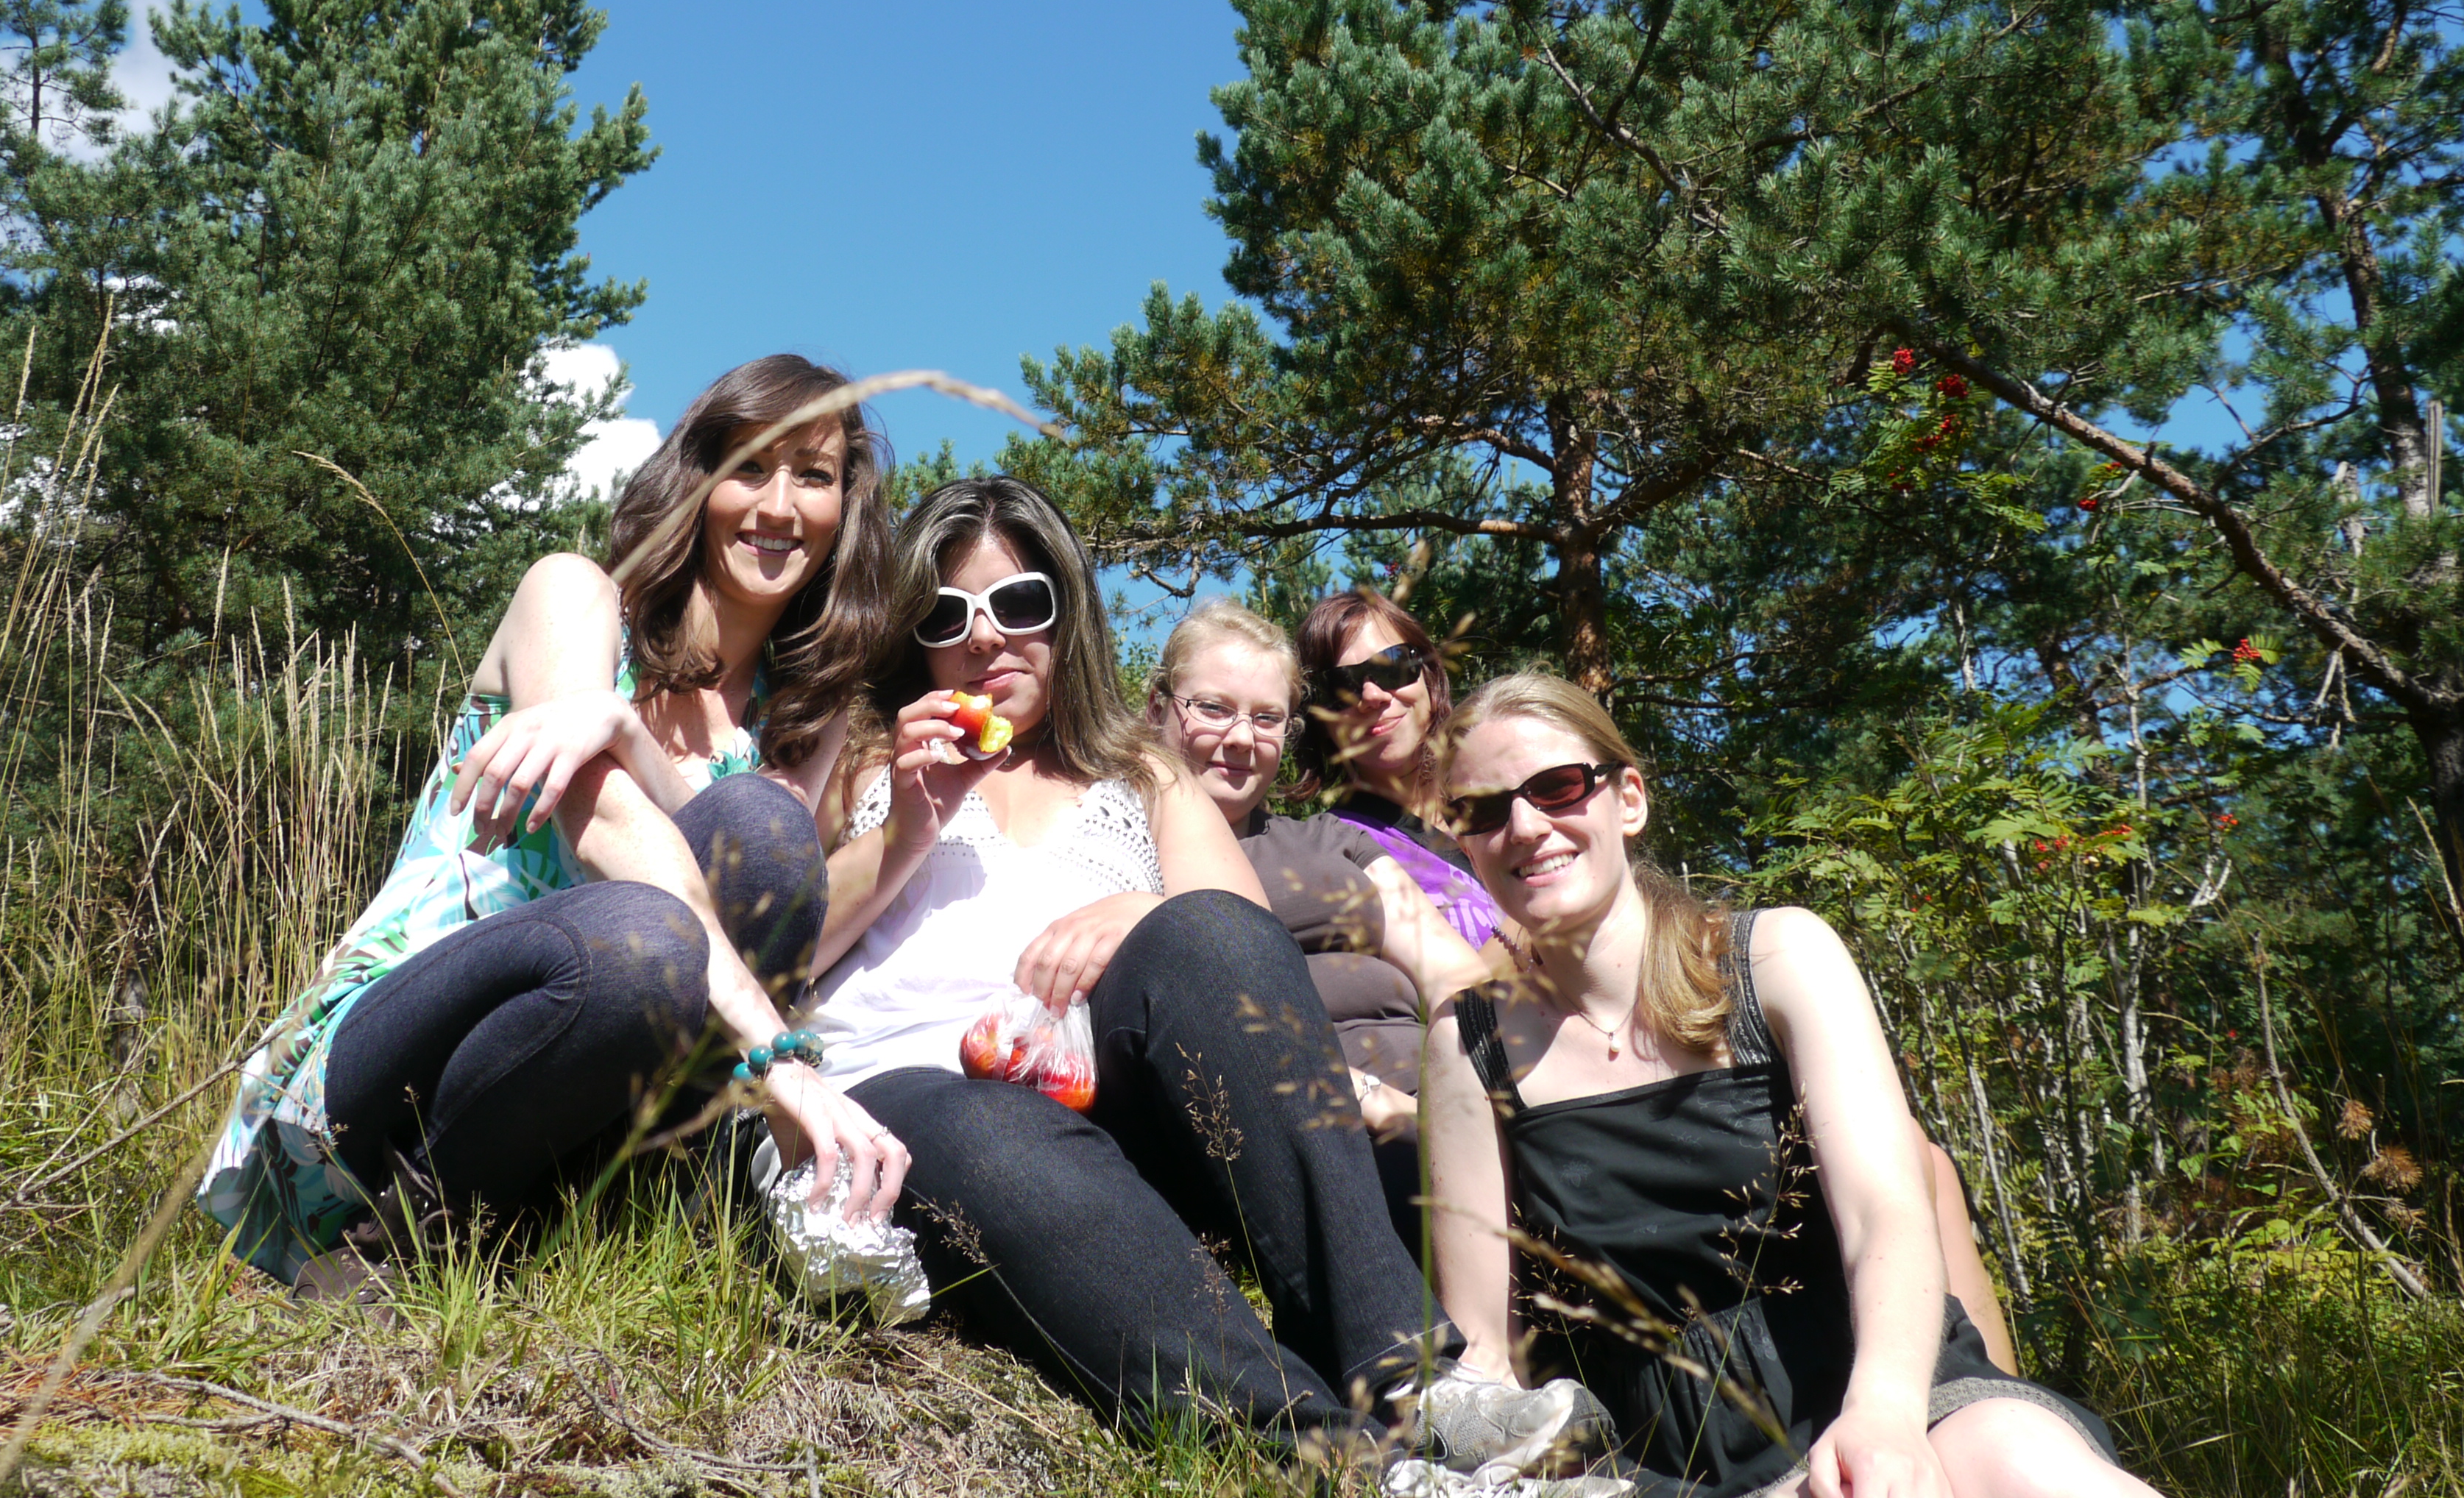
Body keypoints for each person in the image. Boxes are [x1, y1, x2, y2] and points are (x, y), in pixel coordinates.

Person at [810, 482, 1580, 1475]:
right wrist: (907, 830)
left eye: (1019, 603)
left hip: (1115, 1097)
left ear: (1067, 615)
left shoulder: (1140, 771)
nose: (985, 637)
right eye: (946, 613)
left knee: (1206, 935)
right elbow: (774, 956)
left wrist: (1138, 911)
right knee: (987, 1126)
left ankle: (1414, 1379)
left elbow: (1243, 944)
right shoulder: (866, 752)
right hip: (919, 1093)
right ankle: (1361, 1469)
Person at [204, 355, 914, 1297]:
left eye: (813, 476)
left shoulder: (800, 709)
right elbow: (605, 829)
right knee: (647, 934)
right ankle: (394, 1250)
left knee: (766, 836)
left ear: (844, 508)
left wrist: (629, 735)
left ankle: (566, 1234)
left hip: (575, 1110)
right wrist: (778, 1057)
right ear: (699, 481)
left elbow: (754, 872)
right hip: (399, 1062)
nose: (778, 506)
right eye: (748, 466)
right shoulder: (577, 597)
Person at [1423, 674, 2150, 1498]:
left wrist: (1883, 1416)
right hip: (1669, 1464)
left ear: (1628, 799)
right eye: (1482, 810)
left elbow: (1886, 1208)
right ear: (1466, 842)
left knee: (2029, 1464)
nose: (1524, 826)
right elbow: (1486, 1349)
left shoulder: (1775, 957)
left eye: (1557, 786)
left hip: (1894, 1385)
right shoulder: (1468, 1044)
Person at [1146, 601, 1489, 1240]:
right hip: (1320, 1134)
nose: (1242, 738)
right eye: (1213, 709)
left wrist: (1479, 1104)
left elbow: (1457, 978)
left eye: (1266, 718)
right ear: (1157, 708)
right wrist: (1376, 1104)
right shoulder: (1119, 853)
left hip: (1437, 1104)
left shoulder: (1335, 841)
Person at [1295, 591, 1505, 951]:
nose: (1372, 696)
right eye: (1340, 686)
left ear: (1430, 676)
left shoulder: (1512, 796)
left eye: (1392, 665)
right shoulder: (1334, 853)